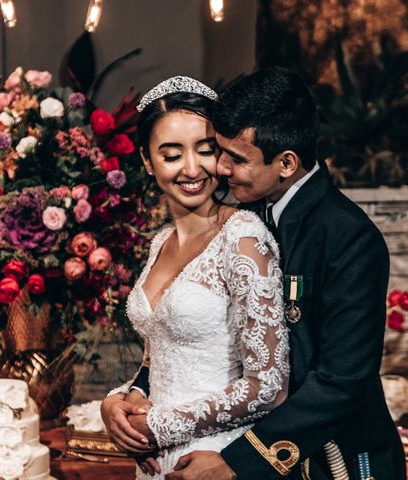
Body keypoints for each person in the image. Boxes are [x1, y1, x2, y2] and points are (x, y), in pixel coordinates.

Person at [136, 68, 405, 480]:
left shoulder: (348, 237)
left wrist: (236, 461)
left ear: (286, 163)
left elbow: (341, 383)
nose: (220, 169)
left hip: (337, 462)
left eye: (237, 159)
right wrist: (136, 393)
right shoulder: (245, 211)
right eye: (219, 151)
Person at [100, 76, 289, 479]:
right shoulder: (160, 243)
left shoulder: (243, 238)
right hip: (153, 461)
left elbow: (269, 385)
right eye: (171, 155)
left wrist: (160, 425)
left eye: (206, 151)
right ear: (148, 161)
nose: (192, 168)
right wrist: (122, 399)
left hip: (216, 458)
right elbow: (161, 357)